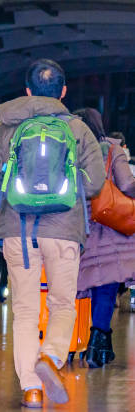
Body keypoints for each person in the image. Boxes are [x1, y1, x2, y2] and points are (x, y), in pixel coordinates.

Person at [0, 59, 105, 408]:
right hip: (64, 229)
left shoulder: (8, 128)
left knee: (25, 310)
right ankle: (50, 356)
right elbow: (95, 184)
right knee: (63, 304)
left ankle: (31, 389)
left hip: (17, 229)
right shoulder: (78, 129)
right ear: (63, 92)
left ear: (28, 91)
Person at [75, 110, 135, 368]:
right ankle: (98, 347)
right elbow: (127, 184)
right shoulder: (112, 149)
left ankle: (73, 342)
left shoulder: (69, 149)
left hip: (77, 227)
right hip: (109, 225)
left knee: (78, 286)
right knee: (105, 286)